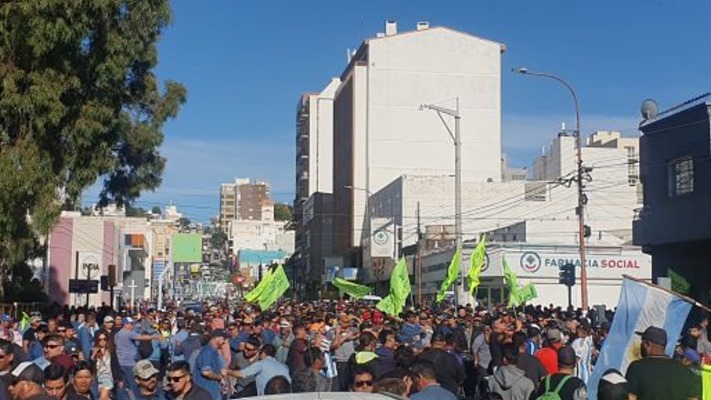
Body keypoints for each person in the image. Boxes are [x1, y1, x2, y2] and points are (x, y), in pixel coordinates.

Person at [625, 326, 700, 400]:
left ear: (647, 344)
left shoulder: (637, 368)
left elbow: (630, 398)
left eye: (642, 341)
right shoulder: (685, 371)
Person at [114, 317, 163, 395]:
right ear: (126, 325)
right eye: (131, 324)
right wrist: (155, 337)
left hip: (120, 363)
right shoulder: (128, 333)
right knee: (133, 385)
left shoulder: (117, 334)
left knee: (123, 384)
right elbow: (141, 337)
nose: (132, 326)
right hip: (130, 363)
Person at [223, 343, 290, 396]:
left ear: (263, 353)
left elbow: (242, 374)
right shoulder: (284, 367)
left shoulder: (261, 364)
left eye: (260, 352)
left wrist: (227, 371)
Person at [416, 331, 465, 396]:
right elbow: (461, 377)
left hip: (427, 392)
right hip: (448, 392)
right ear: (444, 343)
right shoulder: (451, 358)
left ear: (431, 342)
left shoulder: (421, 357)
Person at [192, 330, 226, 400]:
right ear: (218, 338)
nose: (224, 342)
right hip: (206, 392)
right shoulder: (208, 351)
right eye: (223, 339)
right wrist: (219, 378)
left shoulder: (214, 351)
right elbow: (206, 372)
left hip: (213, 392)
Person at [91, 332, 120, 400]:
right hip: (98, 379)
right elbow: (90, 365)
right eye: (100, 339)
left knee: (103, 397)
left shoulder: (111, 351)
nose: (102, 341)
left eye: (104, 339)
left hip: (108, 377)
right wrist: (93, 355)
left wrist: (119, 378)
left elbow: (116, 364)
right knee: (106, 397)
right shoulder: (94, 351)